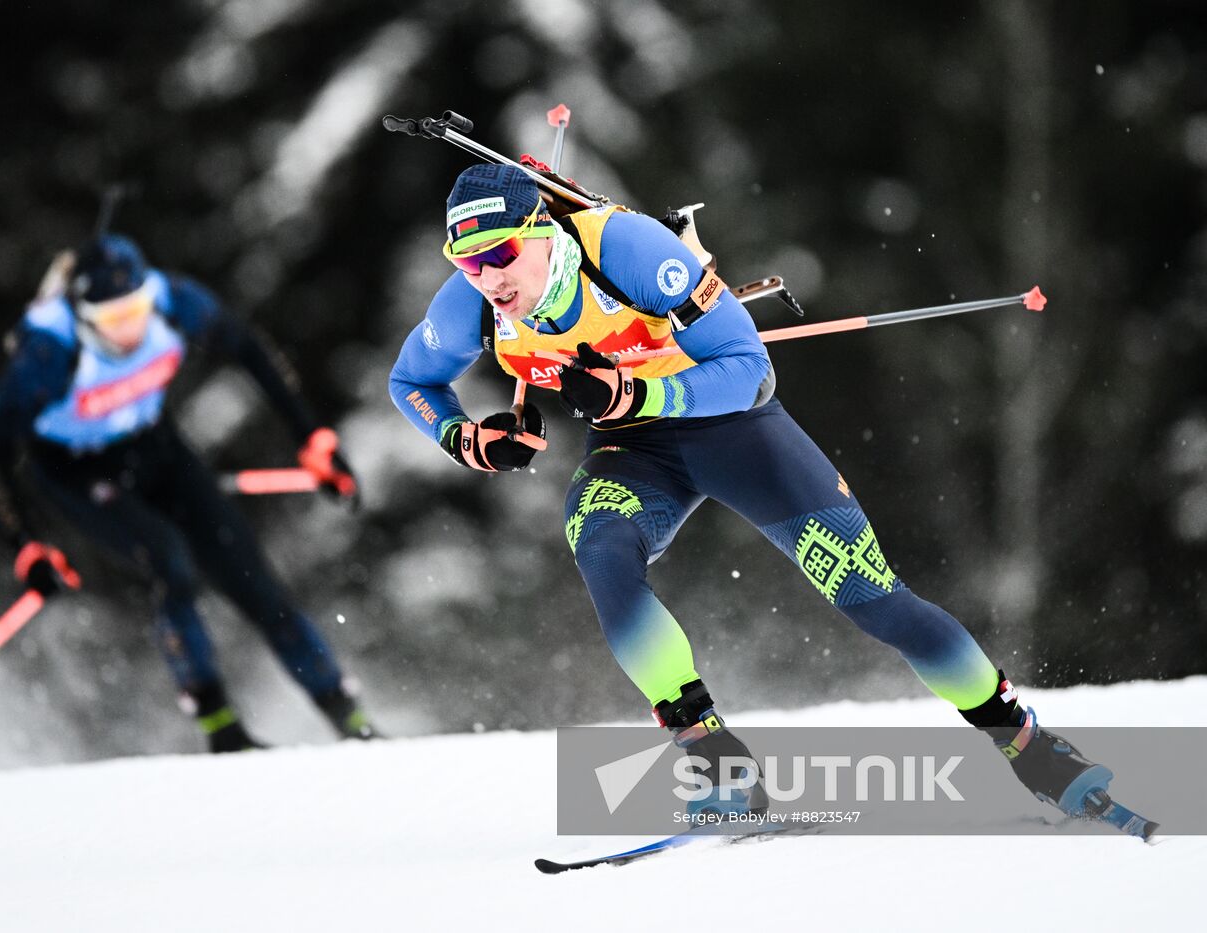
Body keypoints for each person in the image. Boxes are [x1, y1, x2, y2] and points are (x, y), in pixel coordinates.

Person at [388, 162, 1112, 818]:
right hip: (631, 451)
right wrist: (467, 439)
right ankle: (713, 758)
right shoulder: (472, 305)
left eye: (501, 254)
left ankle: (1029, 745)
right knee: (601, 551)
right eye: (467, 260)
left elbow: (750, 369)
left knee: (873, 597)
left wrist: (636, 391)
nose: (488, 276)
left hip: (734, 427)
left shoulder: (630, 251)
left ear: (541, 231)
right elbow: (411, 382)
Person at [0, 232, 377, 752]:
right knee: (170, 562)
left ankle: (352, 724)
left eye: (136, 310)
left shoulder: (174, 302)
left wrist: (312, 437)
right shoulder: (47, 355)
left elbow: (249, 347)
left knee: (253, 579)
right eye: (111, 320)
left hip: (155, 447)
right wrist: (24, 543)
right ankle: (220, 728)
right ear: (82, 316)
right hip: (75, 470)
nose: (130, 328)